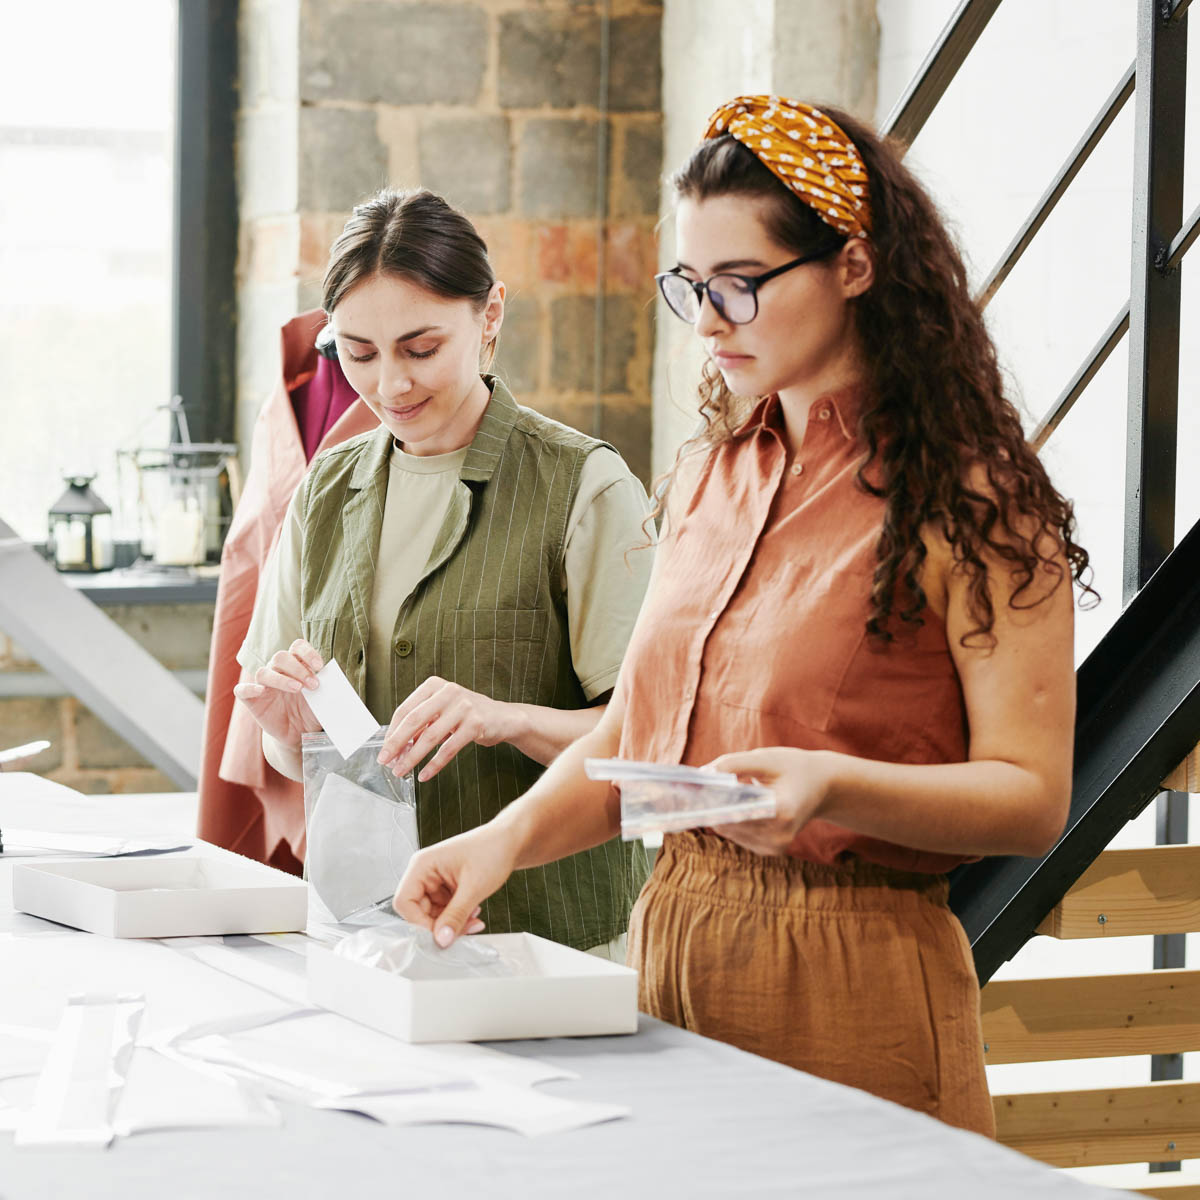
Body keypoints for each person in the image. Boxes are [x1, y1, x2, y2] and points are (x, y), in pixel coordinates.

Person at [392, 97, 1095, 1134]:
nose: (711, 320)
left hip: (859, 981)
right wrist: (501, 840)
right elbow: (633, 740)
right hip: (674, 943)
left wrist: (831, 786)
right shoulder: (711, 476)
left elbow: (1032, 797)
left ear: (854, 266)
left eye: (742, 285)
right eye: (693, 286)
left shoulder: (973, 499)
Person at [235, 188, 654, 956]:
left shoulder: (585, 487)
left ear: (490, 315)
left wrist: (510, 718)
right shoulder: (324, 494)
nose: (390, 385)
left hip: (551, 947)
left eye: (420, 348)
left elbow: (654, 749)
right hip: (368, 943)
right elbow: (291, 756)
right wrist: (286, 732)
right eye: (357, 353)